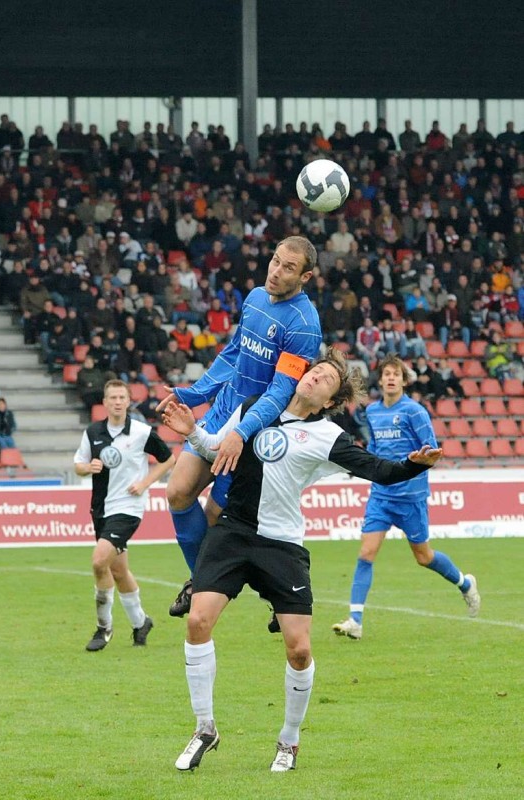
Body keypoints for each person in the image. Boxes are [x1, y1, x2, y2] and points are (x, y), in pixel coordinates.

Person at [161, 348, 442, 773]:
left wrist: (411, 465)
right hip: (234, 531)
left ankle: (289, 741)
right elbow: (218, 449)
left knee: (299, 649)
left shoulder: (328, 436)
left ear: (331, 401)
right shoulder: (257, 408)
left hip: (282, 544)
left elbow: (377, 470)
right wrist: (192, 432)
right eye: (315, 371)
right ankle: (204, 728)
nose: (315, 378)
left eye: (327, 379)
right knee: (197, 620)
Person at [156, 236, 323, 618]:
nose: (276, 272)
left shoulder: (304, 325)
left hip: (256, 430)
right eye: (275, 261)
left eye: (288, 268)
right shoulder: (255, 298)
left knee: (219, 517)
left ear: (306, 276)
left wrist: (242, 433)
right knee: (178, 492)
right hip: (222, 411)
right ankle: (202, 580)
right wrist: (193, 394)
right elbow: (232, 355)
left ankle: (276, 593)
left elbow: (282, 390)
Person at [332, 355, 480, 641]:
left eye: (395, 374)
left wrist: (418, 460)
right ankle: (355, 620)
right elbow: (374, 446)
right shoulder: (373, 411)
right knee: (366, 554)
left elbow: (432, 453)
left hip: (411, 496)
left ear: (403, 380)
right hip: (382, 495)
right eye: (386, 373)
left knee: (424, 557)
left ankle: (464, 583)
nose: (390, 378)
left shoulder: (415, 412)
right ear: (381, 379)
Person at [73, 379, 175, 651]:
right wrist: (88, 467)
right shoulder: (93, 431)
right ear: (104, 403)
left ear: (129, 401)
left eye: (121, 397)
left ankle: (103, 628)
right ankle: (141, 622)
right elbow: (78, 466)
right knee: (119, 570)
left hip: (128, 508)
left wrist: (145, 483)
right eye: (112, 398)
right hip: (101, 509)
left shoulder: (141, 432)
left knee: (98, 563)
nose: (117, 402)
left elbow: (168, 458)